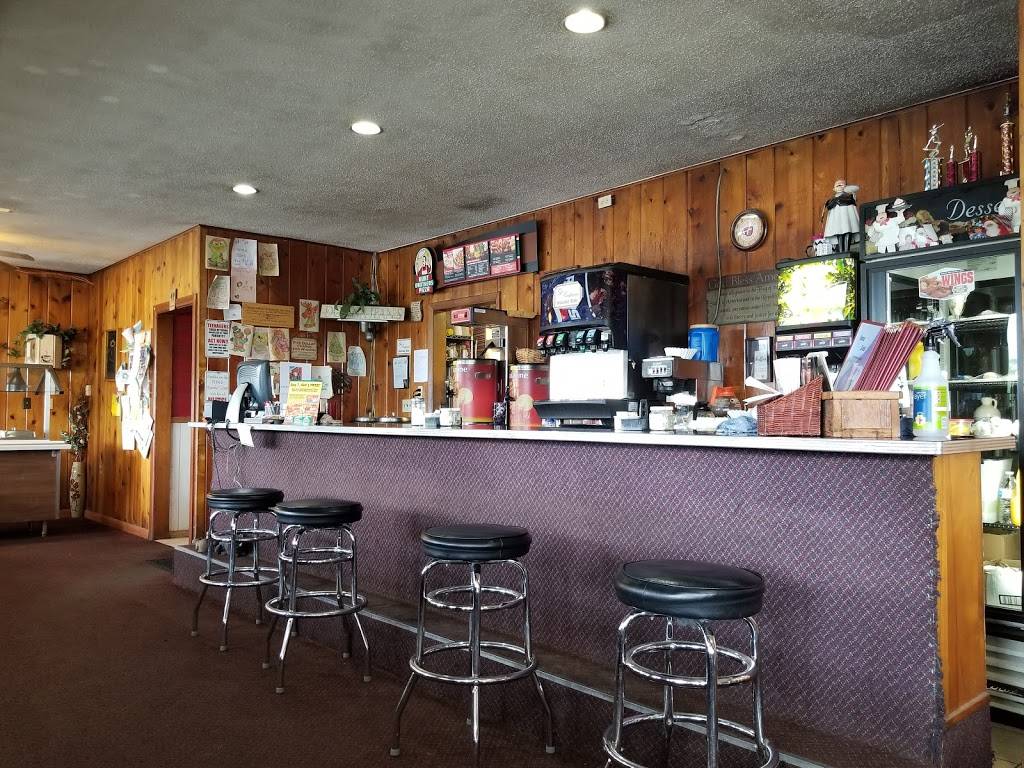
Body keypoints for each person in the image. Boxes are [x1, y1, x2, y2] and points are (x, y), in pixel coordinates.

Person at [821, 179, 860, 253]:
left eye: (841, 184)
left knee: (847, 231)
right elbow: (828, 207)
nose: (839, 185)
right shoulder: (831, 200)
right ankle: (841, 251)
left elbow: (854, 196)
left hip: (847, 217)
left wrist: (851, 191)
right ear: (834, 189)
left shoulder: (849, 196)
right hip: (837, 219)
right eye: (837, 185)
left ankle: (846, 250)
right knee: (839, 232)